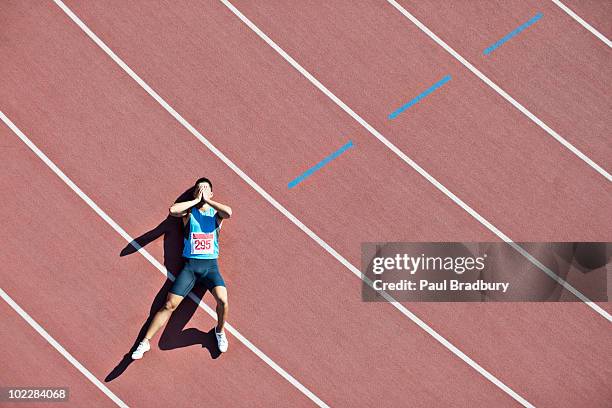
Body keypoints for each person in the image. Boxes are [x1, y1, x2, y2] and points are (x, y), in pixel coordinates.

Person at [132, 177, 232, 359]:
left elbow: (229, 212)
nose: (202, 192)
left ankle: (219, 331)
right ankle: (144, 343)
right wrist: (196, 200)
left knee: (223, 301)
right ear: (194, 194)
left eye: (205, 189)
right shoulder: (189, 213)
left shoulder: (216, 215)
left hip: (210, 268)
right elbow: (173, 210)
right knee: (169, 305)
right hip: (190, 268)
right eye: (198, 190)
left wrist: (207, 201)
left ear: (211, 193)